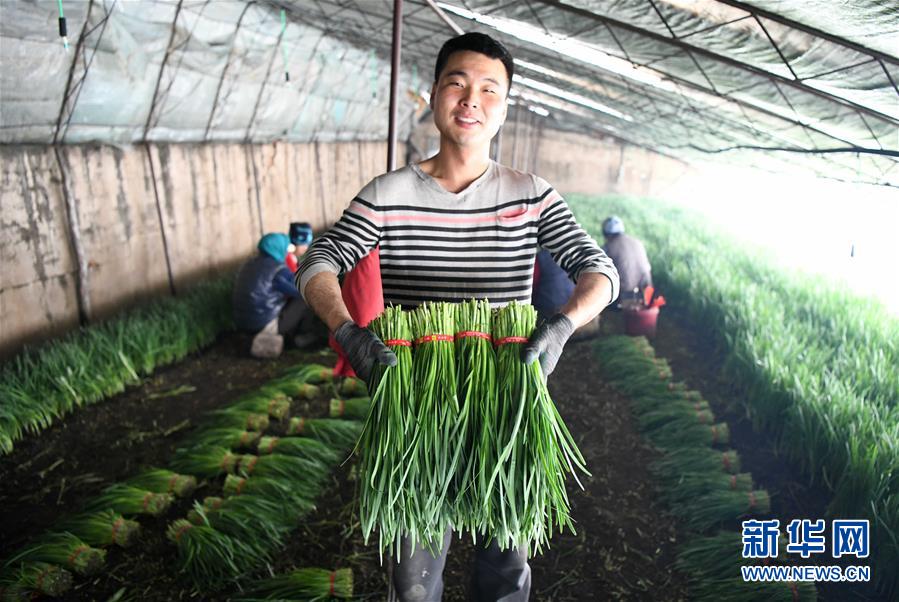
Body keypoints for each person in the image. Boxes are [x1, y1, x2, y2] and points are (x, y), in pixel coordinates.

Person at [296, 33, 619, 602]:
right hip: (414, 402)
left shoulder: (532, 195)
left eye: (489, 89)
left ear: (505, 105)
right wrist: (347, 330)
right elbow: (318, 262)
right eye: (457, 83)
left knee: (505, 570)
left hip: (508, 401)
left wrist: (563, 324)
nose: (472, 99)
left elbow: (600, 271)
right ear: (434, 95)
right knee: (412, 578)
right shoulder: (387, 194)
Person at [233, 233, 316, 358]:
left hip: (242, 323)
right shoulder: (278, 270)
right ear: (279, 248)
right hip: (264, 324)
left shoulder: (249, 264)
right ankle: (301, 337)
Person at [601, 216, 652, 307]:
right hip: (647, 293)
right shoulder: (637, 242)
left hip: (625, 297)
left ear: (606, 234)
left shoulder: (608, 247)